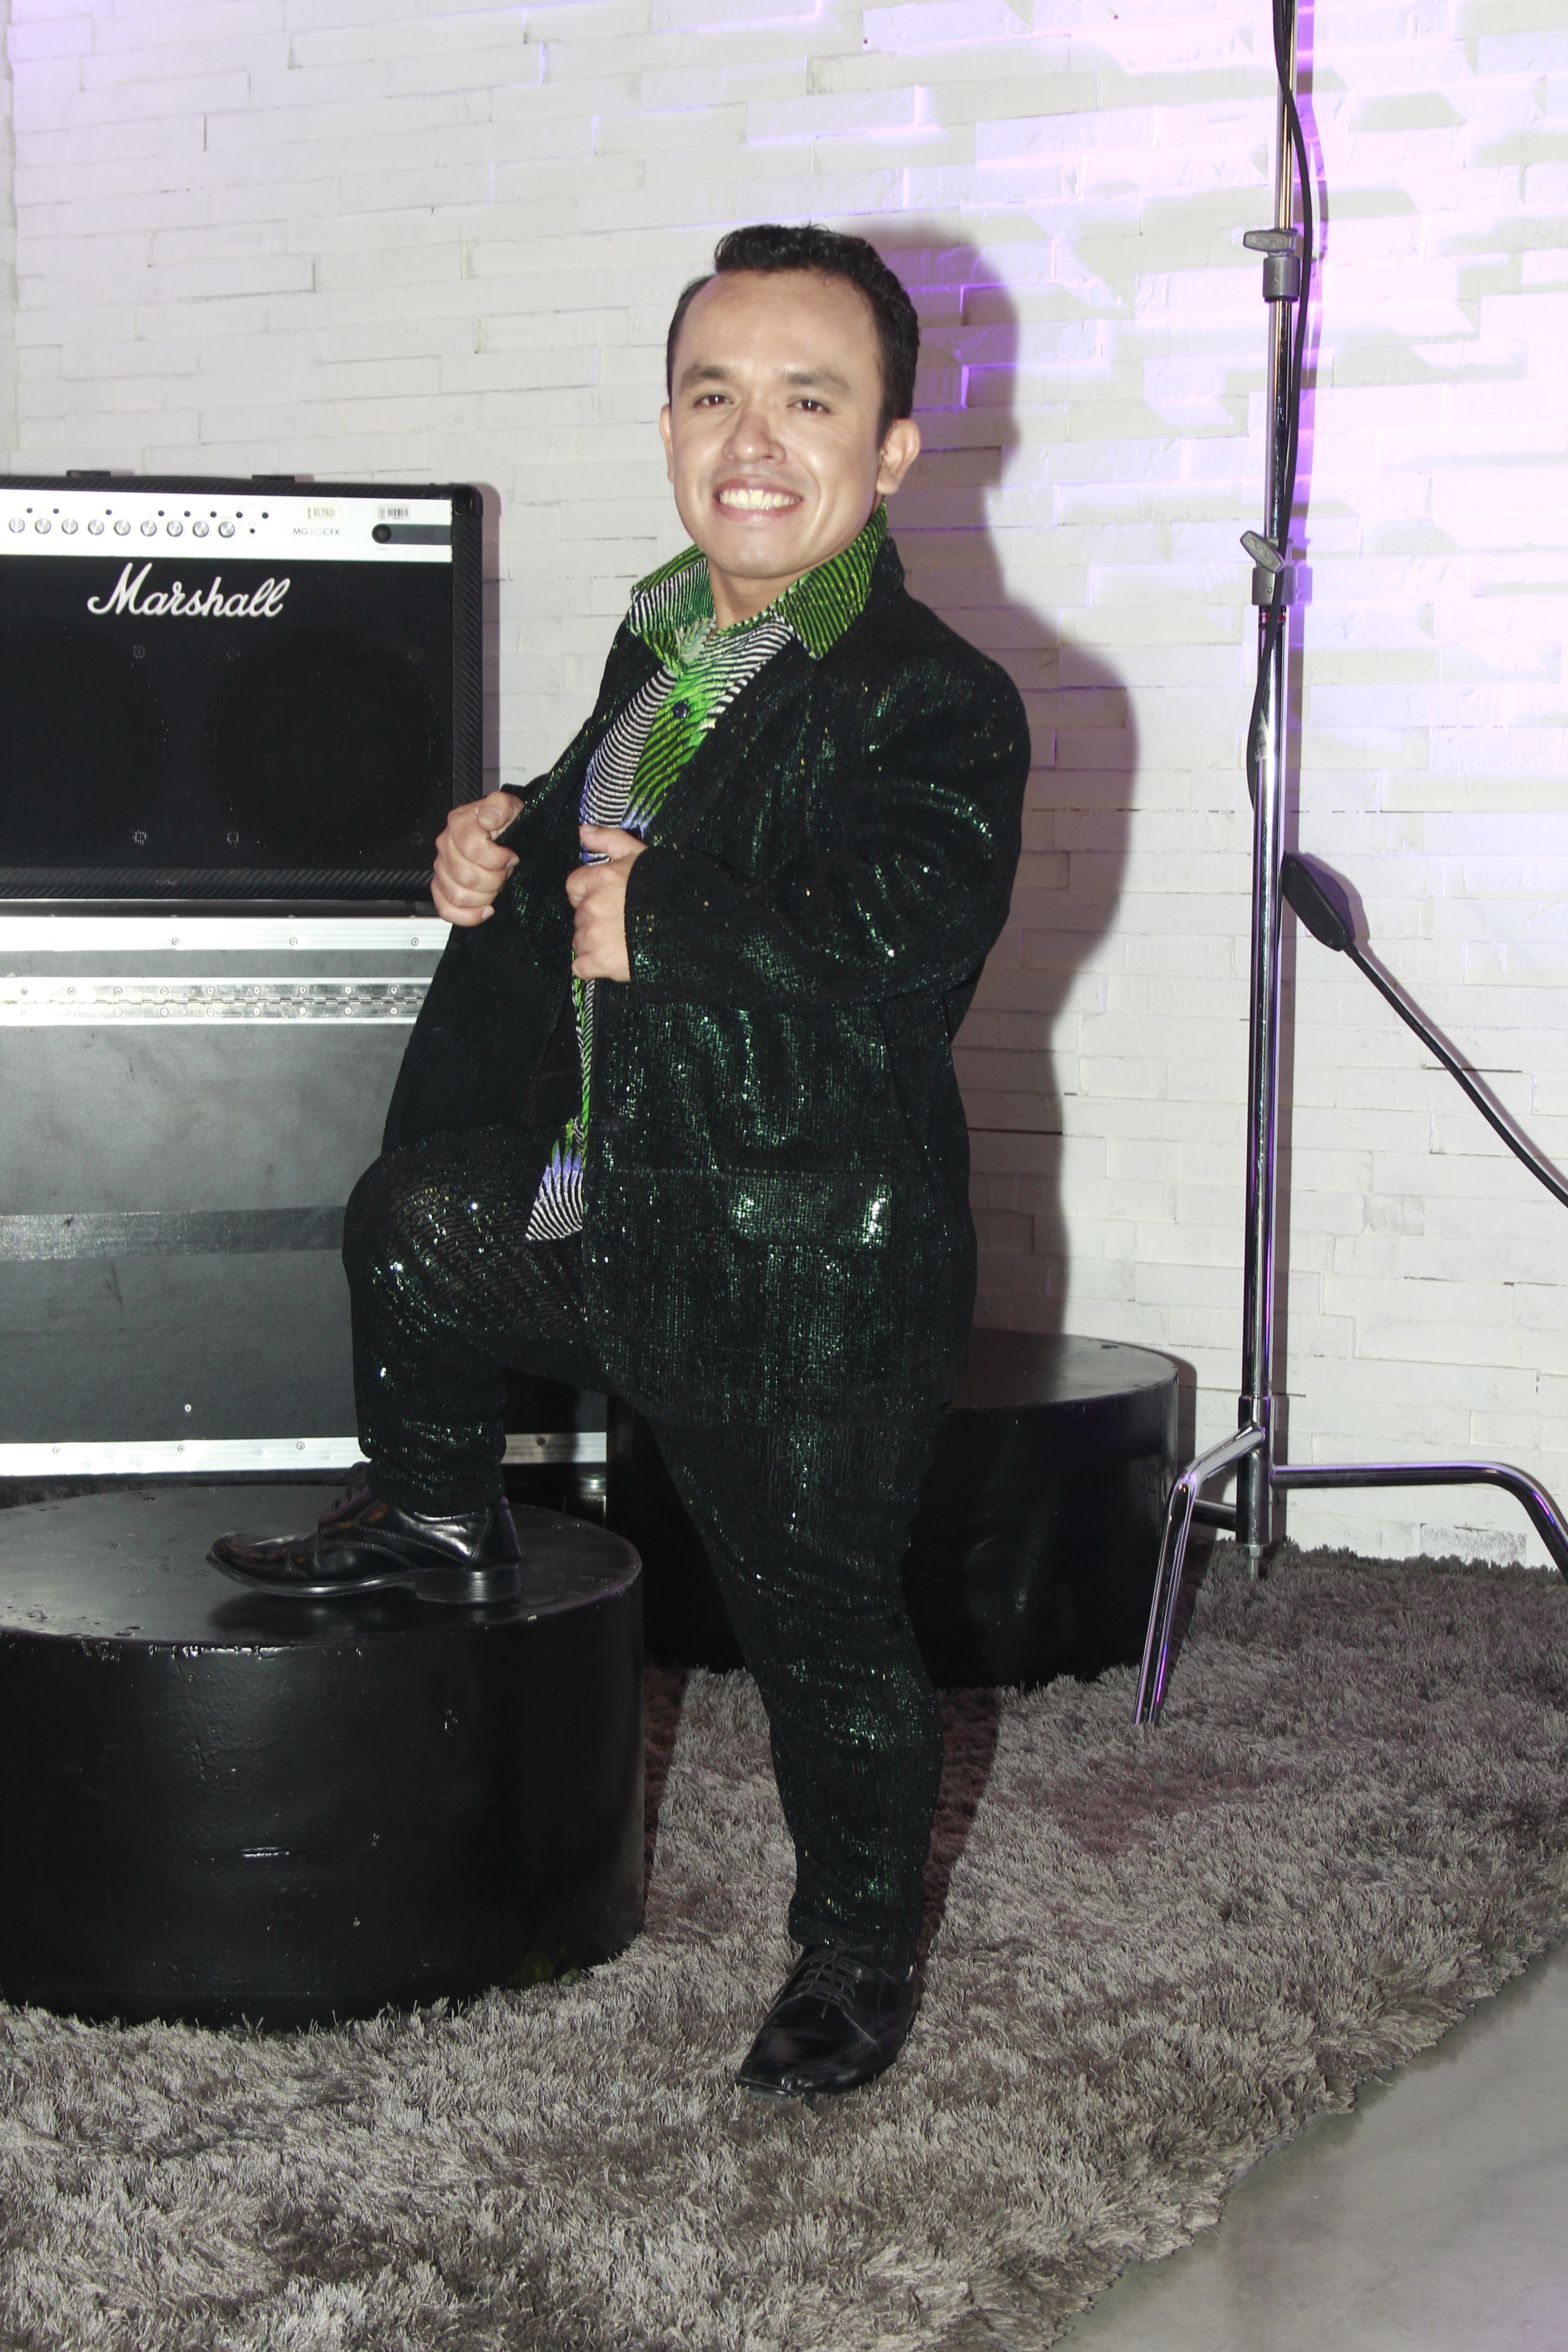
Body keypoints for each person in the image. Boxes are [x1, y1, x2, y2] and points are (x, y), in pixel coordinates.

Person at [211, 223, 1030, 2098]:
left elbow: (904, 932)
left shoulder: (933, 695)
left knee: (821, 1632)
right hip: (620, 1209)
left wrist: (668, 924)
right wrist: (497, 839)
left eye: (809, 400)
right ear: (668, 423)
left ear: (893, 449)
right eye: (714, 394)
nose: (754, 439)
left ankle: (854, 1954)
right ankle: (437, 1509)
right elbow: (601, 820)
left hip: (804, 1259)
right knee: (416, 1224)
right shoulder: (666, 641)